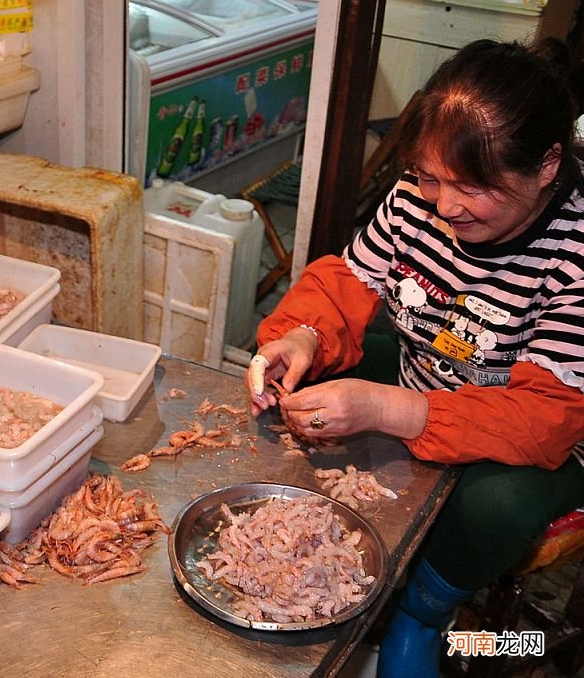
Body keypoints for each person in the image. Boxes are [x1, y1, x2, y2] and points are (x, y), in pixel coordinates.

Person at [244, 38, 584, 678]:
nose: (445, 207)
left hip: (543, 434)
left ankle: (426, 613)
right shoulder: (416, 198)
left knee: (492, 510)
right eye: (432, 177)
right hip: (429, 369)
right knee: (306, 381)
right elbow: (349, 284)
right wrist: (303, 338)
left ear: (545, 167)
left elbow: (547, 420)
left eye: (474, 188)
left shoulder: (575, 254)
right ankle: (363, 572)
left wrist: (386, 407)